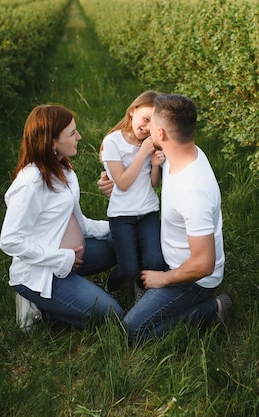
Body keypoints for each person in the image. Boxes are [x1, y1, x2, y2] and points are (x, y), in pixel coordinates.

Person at [0, 103, 124, 332]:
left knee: (124, 244)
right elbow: (10, 240)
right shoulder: (30, 184)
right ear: (52, 141)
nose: (79, 136)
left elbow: (80, 222)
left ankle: (71, 297)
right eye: (72, 133)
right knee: (112, 316)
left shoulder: (64, 170)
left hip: (70, 259)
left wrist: (119, 228)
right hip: (42, 273)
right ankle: (41, 306)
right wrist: (61, 258)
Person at [120, 93, 231, 344]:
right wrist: (113, 183)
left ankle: (212, 309)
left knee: (132, 331)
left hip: (194, 278)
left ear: (161, 134)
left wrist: (163, 279)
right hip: (171, 254)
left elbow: (204, 264)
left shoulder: (194, 190)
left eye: (152, 125)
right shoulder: (179, 150)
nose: (147, 129)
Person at [100, 91, 166, 301]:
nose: (147, 128)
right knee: (128, 268)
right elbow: (123, 183)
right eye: (145, 119)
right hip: (122, 215)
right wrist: (143, 153)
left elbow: (154, 183)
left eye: (153, 124)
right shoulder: (113, 142)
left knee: (155, 262)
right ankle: (111, 285)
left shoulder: (151, 142)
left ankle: (141, 287)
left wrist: (155, 166)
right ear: (132, 111)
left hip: (148, 211)